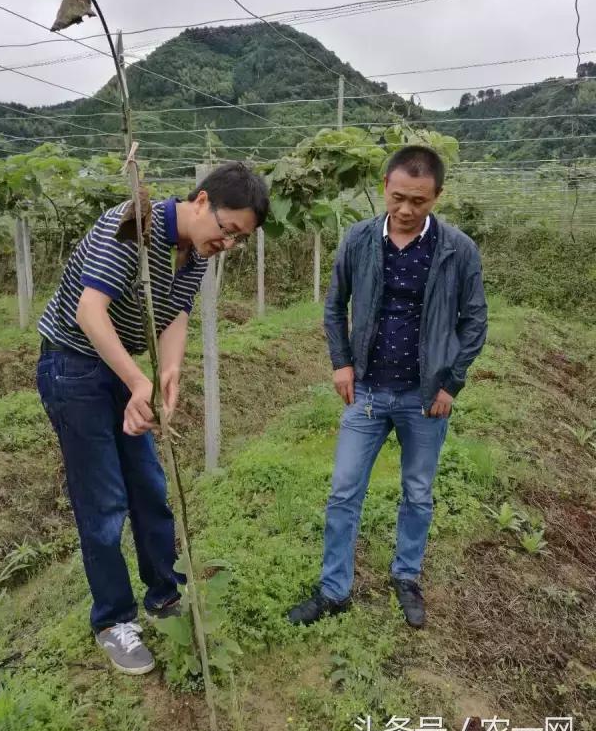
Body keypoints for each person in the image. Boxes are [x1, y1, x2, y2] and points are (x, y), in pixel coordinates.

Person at [37, 162, 269, 674]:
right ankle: (114, 621)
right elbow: (90, 313)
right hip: (73, 365)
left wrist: (168, 371)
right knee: (103, 502)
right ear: (202, 201)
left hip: (119, 367)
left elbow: (176, 313)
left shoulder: (198, 254)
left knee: (148, 486)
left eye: (240, 239)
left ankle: (165, 595)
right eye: (226, 229)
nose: (228, 243)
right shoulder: (130, 226)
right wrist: (137, 380)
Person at [288, 145, 487, 629]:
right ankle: (335, 590)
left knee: (417, 493)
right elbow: (336, 306)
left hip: (425, 400)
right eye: (397, 198)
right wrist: (341, 364)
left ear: (437, 196)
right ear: (384, 188)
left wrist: (450, 385)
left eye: (418, 201)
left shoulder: (457, 249)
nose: (405, 210)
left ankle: (406, 576)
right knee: (343, 492)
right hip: (369, 395)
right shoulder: (358, 240)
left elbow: (474, 322)